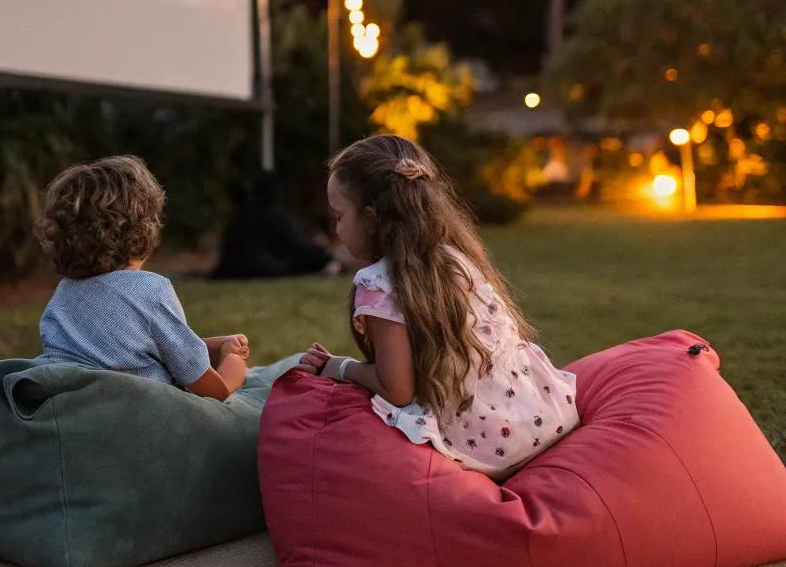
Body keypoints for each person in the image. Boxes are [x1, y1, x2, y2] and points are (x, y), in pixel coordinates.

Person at [299, 134, 578, 478]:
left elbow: (397, 389)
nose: (337, 229)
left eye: (339, 215)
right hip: (546, 412)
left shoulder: (378, 283)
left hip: (489, 447)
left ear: (371, 219)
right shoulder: (456, 258)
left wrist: (340, 368)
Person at [36, 155, 249, 401]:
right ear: (142, 230)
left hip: (82, 416)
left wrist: (214, 345)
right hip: (144, 419)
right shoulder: (149, 290)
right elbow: (213, 391)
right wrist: (235, 362)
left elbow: (134, 346)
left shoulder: (62, 298)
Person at [211, 172, 337, 280]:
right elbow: (298, 248)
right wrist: (325, 256)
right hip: (267, 270)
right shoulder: (274, 217)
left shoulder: (240, 216)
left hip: (234, 270)